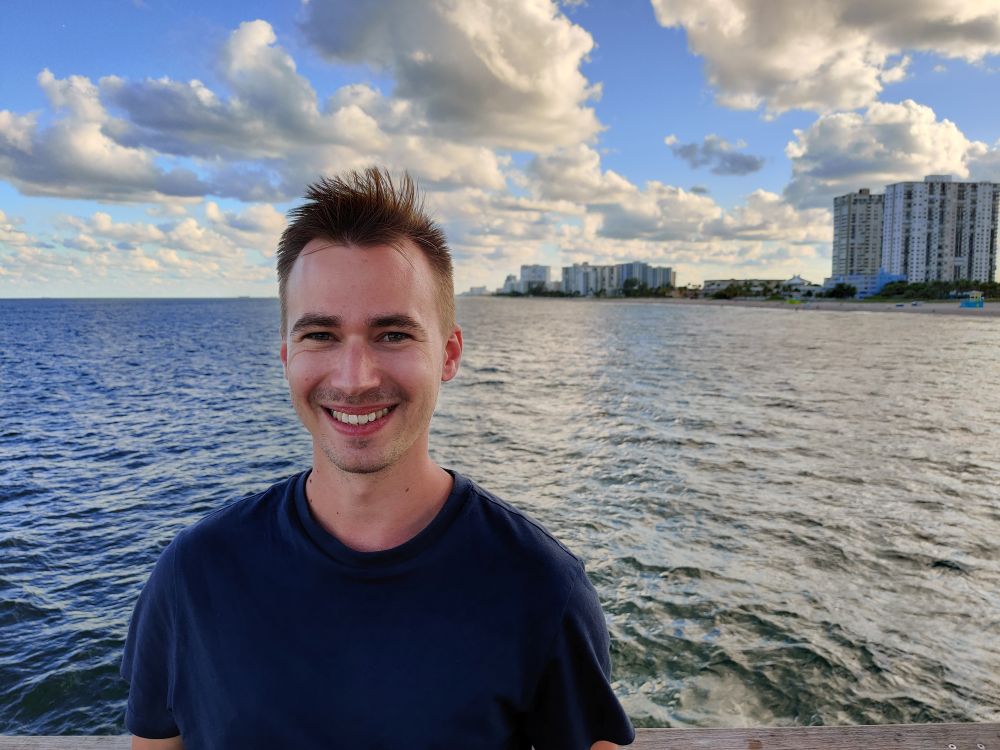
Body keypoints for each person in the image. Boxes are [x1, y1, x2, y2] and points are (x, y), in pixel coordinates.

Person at [120, 168, 635, 750]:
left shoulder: (540, 588)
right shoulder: (194, 575)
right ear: (286, 356)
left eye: (392, 334)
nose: (354, 377)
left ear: (448, 353)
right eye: (320, 335)